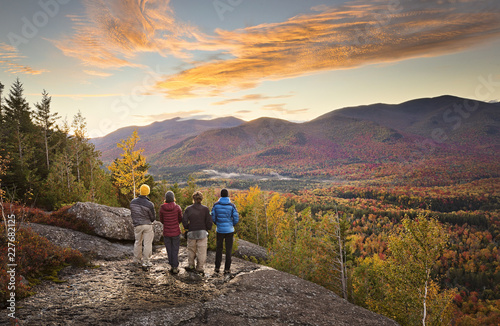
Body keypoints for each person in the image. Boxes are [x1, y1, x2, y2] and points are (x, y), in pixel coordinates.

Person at [182, 191, 212, 275]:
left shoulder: (188, 209)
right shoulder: (205, 209)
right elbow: (209, 221)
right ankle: (200, 268)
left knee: (191, 250)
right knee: (202, 251)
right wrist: (207, 228)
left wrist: (187, 226)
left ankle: (191, 265)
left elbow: (184, 220)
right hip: (202, 232)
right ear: (201, 199)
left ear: (193, 199)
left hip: (192, 232)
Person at [212, 188, 239, 275]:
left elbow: (213, 217)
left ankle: (217, 268)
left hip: (219, 230)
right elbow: (236, 218)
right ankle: (227, 269)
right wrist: (232, 225)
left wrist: (217, 224)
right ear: (227, 195)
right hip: (229, 231)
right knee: (228, 250)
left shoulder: (216, 205)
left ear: (221, 195)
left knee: (219, 249)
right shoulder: (232, 205)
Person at [130, 184, 156, 270]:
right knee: (147, 243)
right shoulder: (150, 204)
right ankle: (146, 261)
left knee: (138, 242)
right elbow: (153, 218)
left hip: (137, 225)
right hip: (147, 225)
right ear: (147, 192)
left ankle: (136, 259)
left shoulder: (132, 202)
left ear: (140, 191)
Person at [159, 191, 183, 274]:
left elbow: (162, 220)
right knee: (175, 249)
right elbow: (180, 219)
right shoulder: (177, 207)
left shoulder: (162, 208)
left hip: (167, 232)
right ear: (173, 198)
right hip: (176, 232)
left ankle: (172, 265)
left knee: (169, 249)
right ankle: (175, 266)